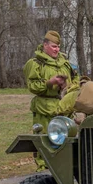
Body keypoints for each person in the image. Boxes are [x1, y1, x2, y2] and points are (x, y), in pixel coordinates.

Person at [24, 30, 79, 171]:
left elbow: (76, 81)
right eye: (54, 47)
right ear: (45, 45)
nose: (57, 50)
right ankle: (44, 173)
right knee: (45, 142)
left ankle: (65, 171)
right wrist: (50, 83)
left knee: (67, 142)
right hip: (44, 109)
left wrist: (67, 86)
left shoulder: (65, 64)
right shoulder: (36, 64)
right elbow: (32, 86)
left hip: (64, 108)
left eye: (58, 47)